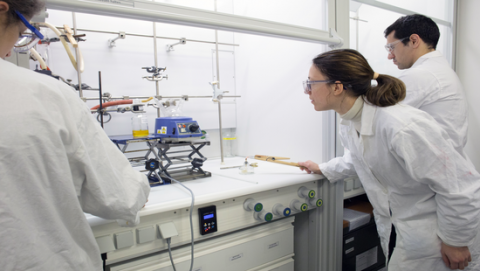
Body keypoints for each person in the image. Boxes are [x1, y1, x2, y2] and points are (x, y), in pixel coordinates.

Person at [0, 1, 150, 270]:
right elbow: (121, 196)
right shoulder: (45, 95)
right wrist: (137, 191)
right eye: (22, 31)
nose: (12, 51)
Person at [298, 49, 480, 271]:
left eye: (311, 83)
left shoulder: (399, 125)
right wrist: (323, 168)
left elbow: (460, 185)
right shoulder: (351, 120)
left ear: (337, 87)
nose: (307, 91)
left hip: (436, 235)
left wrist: (456, 241)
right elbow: (361, 158)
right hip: (401, 228)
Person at [385, 14, 467, 157]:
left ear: (414, 40)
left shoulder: (421, 75)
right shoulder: (441, 70)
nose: (390, 56)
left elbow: (379, 125)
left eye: (392, 47)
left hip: (430, 169)